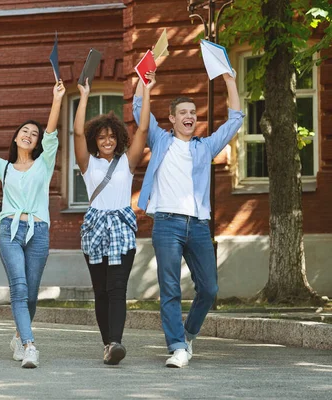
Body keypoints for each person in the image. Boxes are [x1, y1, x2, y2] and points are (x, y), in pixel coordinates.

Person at [132, 71, 243, 368]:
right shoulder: (159, 140)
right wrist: (145, 84)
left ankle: (189, 334)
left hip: (197, 225)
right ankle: (177, 346)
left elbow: (234, 121)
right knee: (170, 287)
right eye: (183, 112)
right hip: (166, 223)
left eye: (193, 112)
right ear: (172, 118)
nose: (189, 116)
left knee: (209, 288)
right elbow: (136, 110)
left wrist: (230, 81)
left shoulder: (204, 147)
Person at [0, 79, 65, 368]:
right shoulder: (4, 167)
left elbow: (51, 132)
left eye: (34, 133)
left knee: (32, 293)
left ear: (37, 143)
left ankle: (18, 335)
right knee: (19, 287)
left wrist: (57, 98)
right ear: (15, 138)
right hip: (9, 231)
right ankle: (29, 345)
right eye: (24, 131)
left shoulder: (44, 163)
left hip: (38, 232)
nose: (29, 134)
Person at [73, 73, 154, 365]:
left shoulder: (127, 162)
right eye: (101, 136)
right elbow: (77, 134)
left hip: (121, 228)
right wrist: (83, 96)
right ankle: (107, 343)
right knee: (101, 290)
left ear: (118, 138)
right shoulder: (88, 163)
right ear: (97, 140)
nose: (107, 140)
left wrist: (145, 90)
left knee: (117, 288)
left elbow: (143, 129)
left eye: (111, 136)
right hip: (95, 228)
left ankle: (117, 343)